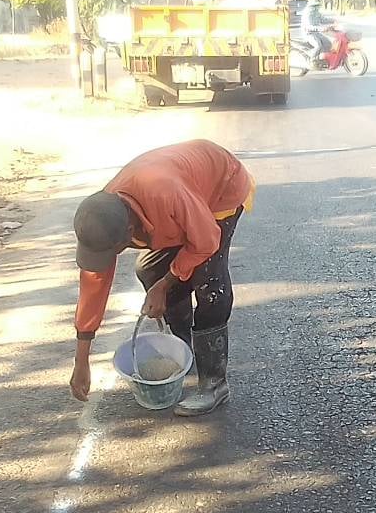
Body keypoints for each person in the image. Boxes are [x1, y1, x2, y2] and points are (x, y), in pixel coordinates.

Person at [71, 140, 254, 416]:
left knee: (208, 282)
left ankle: (215, 384)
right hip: (183, 204)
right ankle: (183, 347)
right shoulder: (104, 214)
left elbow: (206, 240)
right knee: (149, 269)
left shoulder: (166, 194)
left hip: (221, 189)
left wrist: (166, 284)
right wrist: (81, 360)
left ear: (129, 231)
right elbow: (93, 286)